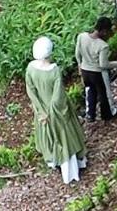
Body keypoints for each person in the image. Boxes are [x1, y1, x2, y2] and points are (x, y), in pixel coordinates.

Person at [25, 36, 87, 185]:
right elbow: (58, 95)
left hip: (43, 112)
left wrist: (41, 111)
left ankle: (54, 161)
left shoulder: (31, 68)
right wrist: (54, 112)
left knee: (50, 138)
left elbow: (31, 91)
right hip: (57, 112)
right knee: (66, 138)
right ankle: (72, 171)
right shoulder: (54, 71)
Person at [74, 16, 117, 121]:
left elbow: (77, 54)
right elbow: (103, 64)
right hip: (97, 73)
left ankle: (90, 114)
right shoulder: (103, 46)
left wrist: (80, 65)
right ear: (104, 30)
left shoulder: (82, 36)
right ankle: (109, 113)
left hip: (85, 71)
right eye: (107, 31)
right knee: (104, 94)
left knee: (90, 91)